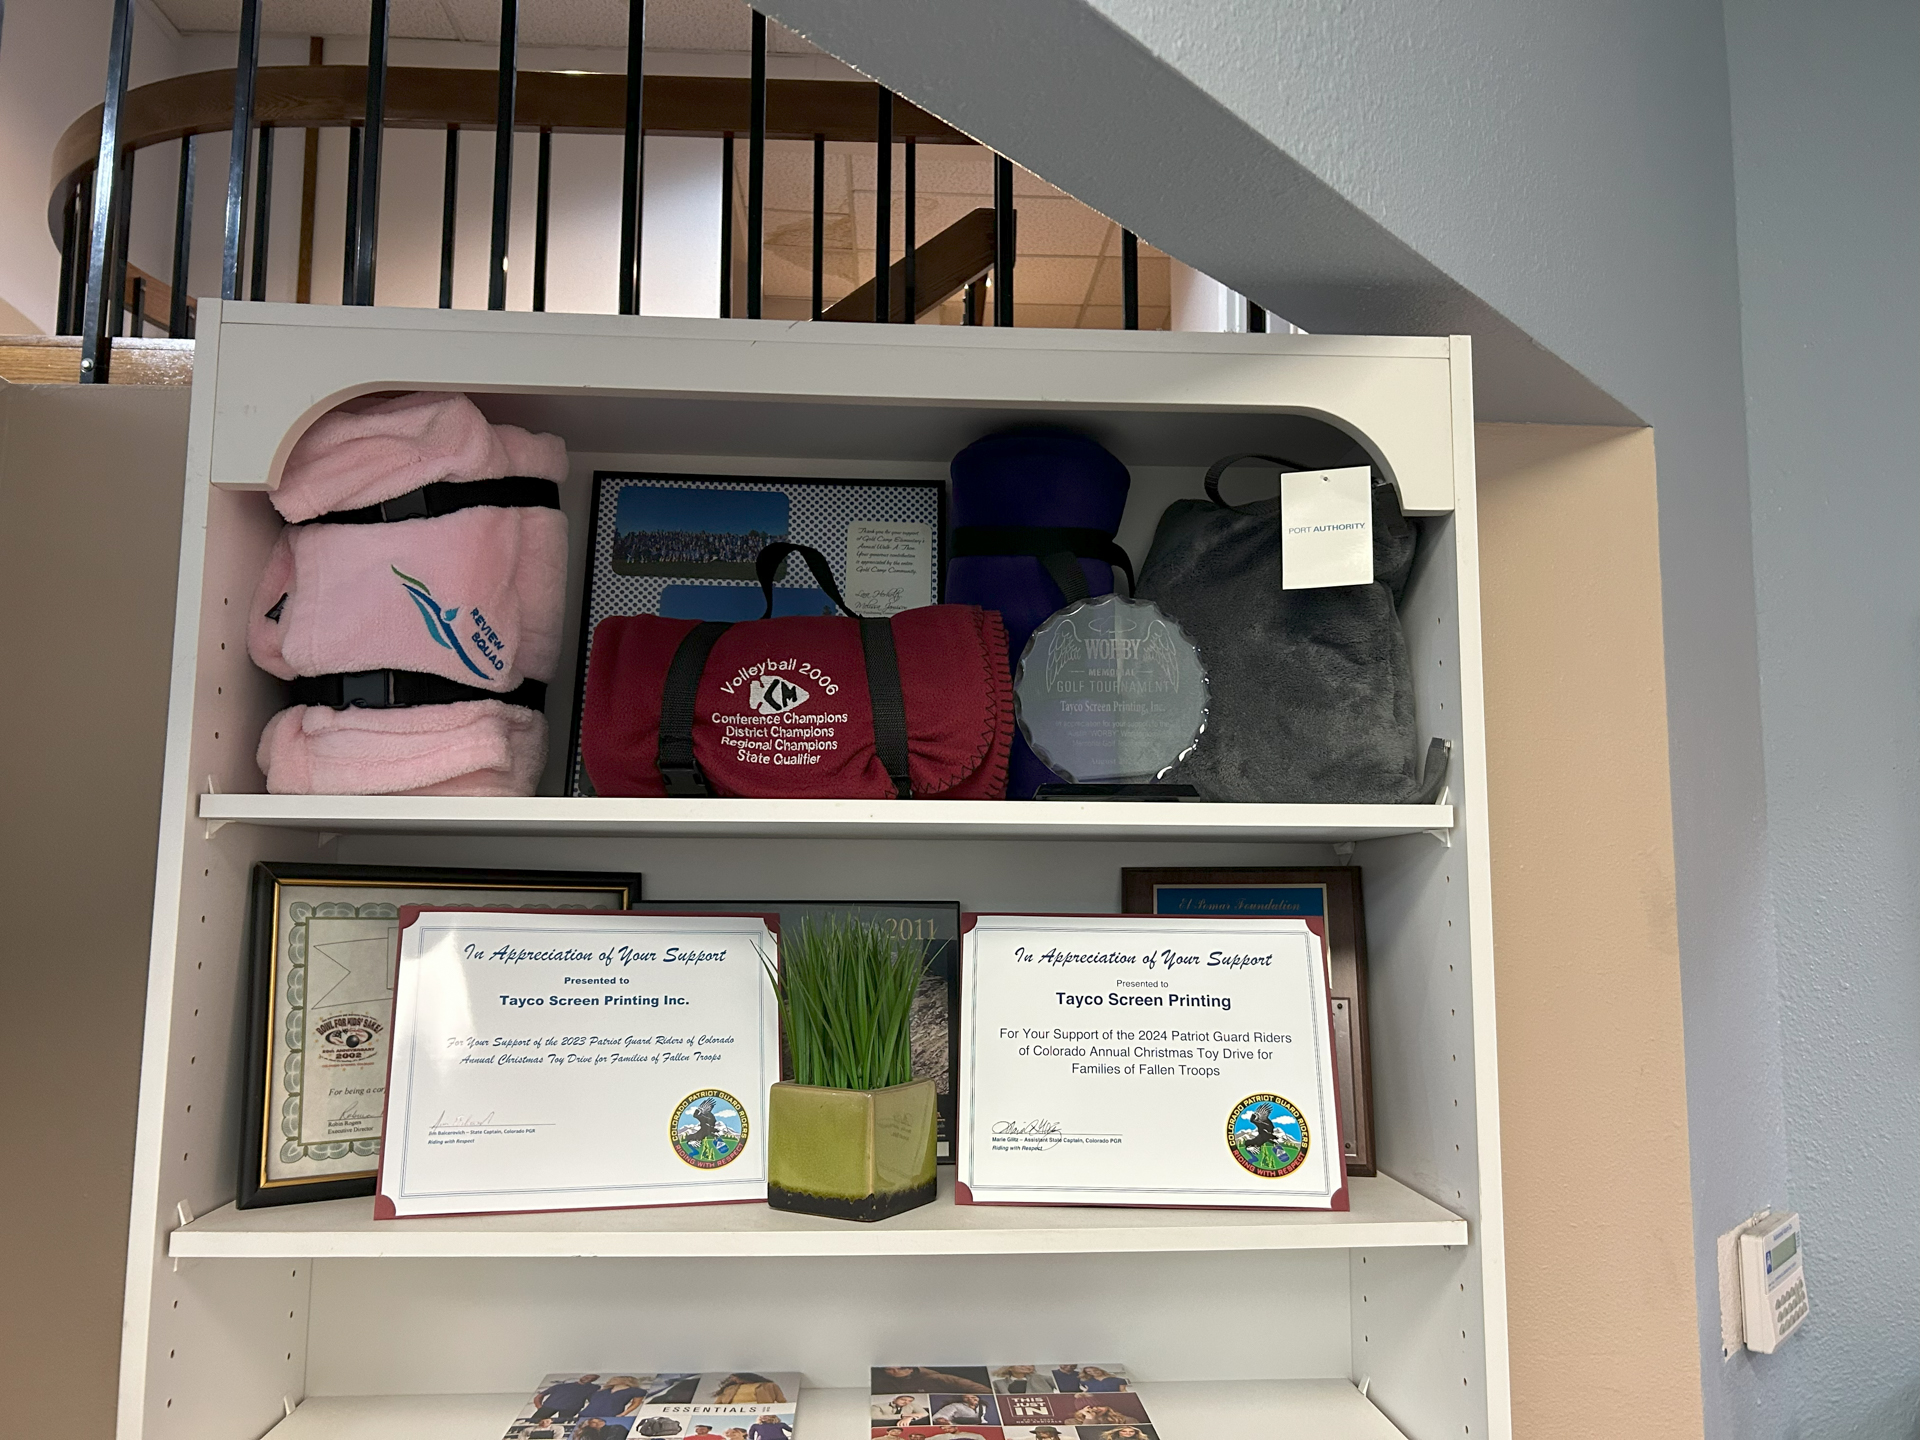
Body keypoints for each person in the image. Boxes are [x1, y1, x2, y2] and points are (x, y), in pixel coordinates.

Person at [874, 1367, 992, 1396]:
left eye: (900, 1368)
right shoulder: (881, 1381)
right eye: (889, 1369)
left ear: (911, 1369)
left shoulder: (934, 1378)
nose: (894, 1372)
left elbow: (979, 1389)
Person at [532, 1376, 603, 1423]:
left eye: (591, 1378)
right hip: (550, 1407)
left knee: (562, 1425)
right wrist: (540, 1407)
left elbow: (593, 1400)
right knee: (533, 1422)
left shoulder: (592, 1388)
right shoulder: (560, 1386)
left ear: (593, 1380)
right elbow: (538, 1397)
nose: (588, 1378)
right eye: (587, 1377)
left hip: (569, 1409)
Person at [579, 1378, 649, 1420]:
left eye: (617, 1378)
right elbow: (593, 1401)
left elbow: (636, 1403)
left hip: (609, 1415)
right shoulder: (603, 1391)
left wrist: (623, 1414)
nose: (613, 1379)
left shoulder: (634, 1391)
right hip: (586, 1414)